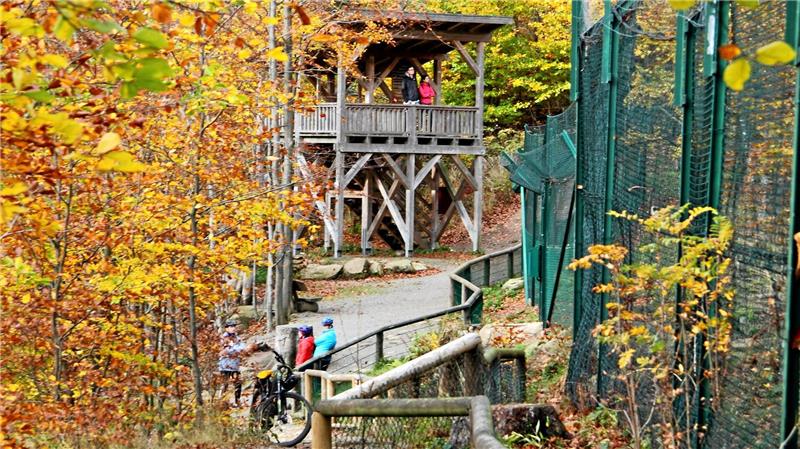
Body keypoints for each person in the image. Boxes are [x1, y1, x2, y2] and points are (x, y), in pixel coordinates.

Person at [218, 320, 247, 407]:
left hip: (234, 365)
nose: (233, 328)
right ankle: (222, 403)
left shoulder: (237, 338)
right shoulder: (223, 338)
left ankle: (237, 401)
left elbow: (243, 347)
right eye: (231, 326)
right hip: (225, 365)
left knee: (237, 383)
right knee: (225, 384)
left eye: (234, 326)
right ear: (226, 328)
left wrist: (234, 348)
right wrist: (235, 349)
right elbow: (226, 351)